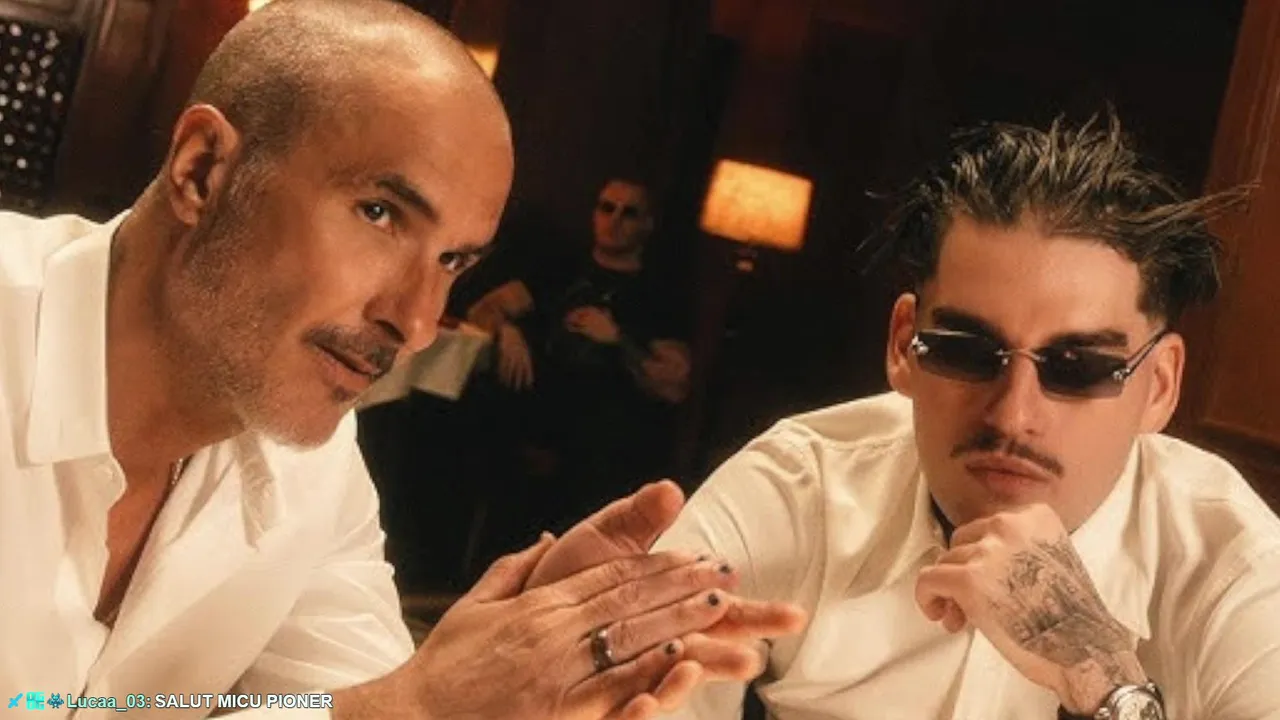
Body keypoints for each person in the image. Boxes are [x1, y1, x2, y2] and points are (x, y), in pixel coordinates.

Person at [0, 1, 806, 718]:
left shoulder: (312, 465)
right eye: (380, 213)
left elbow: (343, 701)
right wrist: (406, 707)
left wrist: (494, 681)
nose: (416, 323)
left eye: (454, 261)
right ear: (204, 170)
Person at [648, 115, 1280, 719]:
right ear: (904, 345)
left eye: (1078, 366)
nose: (1013, 414)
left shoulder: (1238, 568)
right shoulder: (799, 492)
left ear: (1159, 387)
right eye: (967, 351)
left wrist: (1105, 680)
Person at [466, 179, 691, 533]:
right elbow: (483, 311)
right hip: (532, 432)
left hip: (603, 452)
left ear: (647, 224)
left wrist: (617, 338)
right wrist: (507, 332)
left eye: (629, 213)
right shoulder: (561, 271)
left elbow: (673, 385)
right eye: (607, 208)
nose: (614, 220)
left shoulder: (656, 295)